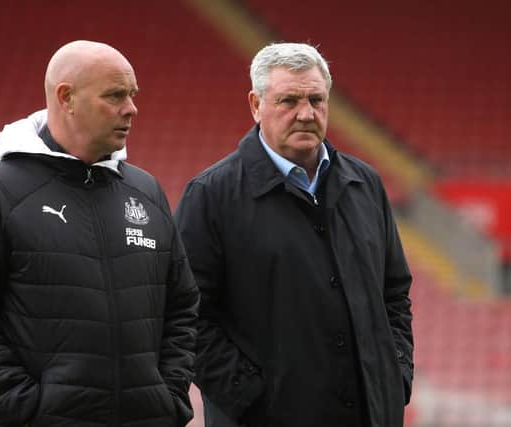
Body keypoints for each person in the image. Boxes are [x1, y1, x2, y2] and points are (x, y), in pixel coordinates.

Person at [0, 40, 199, 427]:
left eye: (132, 94)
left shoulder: (145, 191)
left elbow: (182, 304)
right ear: (66, 98)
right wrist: (24, 408)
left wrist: (170, 395)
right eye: (115, 95)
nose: (132, 108)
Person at [174, 42, 413, 427]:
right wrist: (251, 399)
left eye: (316, 99)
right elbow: (187, 316)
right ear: (256, 104)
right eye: (288, 101)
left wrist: (395, 374)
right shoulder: (210, 196)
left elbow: (395, 293)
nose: (306, 113)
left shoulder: (364, 184)